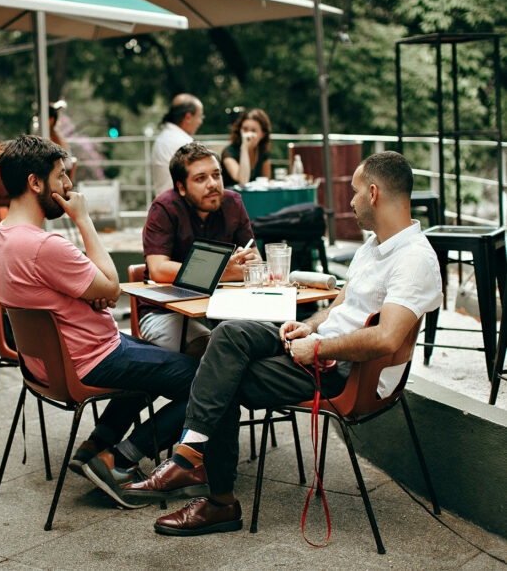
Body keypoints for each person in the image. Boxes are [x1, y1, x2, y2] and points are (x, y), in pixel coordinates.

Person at [122, 151, 444, 536]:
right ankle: (190, 453)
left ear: (374, 193)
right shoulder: (373, 245)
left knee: (225, 376)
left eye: (355, 192)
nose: (351, 201)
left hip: (346, 372)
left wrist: (320, 348)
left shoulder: (414, 259)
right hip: (321, 348)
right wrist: (308, 327)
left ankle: (219, 501)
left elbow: (386, 336)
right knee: (229, 334)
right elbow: (342, 304)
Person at [0, 134, 200, 509]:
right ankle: (117, 460)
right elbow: (111, 287)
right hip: (91, 359)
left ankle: (95, 445)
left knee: (154, 357)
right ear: (35, 183)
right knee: (205, 379)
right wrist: (84, 219)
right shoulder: (44, 246)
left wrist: (95, 290)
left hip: (48, 366)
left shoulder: (0, 238)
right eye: (61, 177)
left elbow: (99, 290)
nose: (69, 186)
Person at [140, 141, 260, 356]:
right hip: (167, 312)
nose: (213, 184)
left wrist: (245, 266)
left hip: (225, 309)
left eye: (216, 175)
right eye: (200, 178)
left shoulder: (233, 203)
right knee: (214, 354)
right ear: (181, 188)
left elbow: (255, 263)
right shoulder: (164, 208)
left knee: (269, 343)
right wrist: (221, 273)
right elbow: (158, 269)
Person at [151, 94, 204, 196]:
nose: (200, 122)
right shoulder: (183, 143)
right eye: (199, 116)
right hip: (178, 207)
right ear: (188, 117)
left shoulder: (163, 138)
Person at [221, 108, 272, 187]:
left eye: (253, 131)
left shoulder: (263, 152)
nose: (248, 135)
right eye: (245, 129)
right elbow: (242, 180)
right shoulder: (229, 152)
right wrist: (244, 147)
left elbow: (266, 181)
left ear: (262, 134)